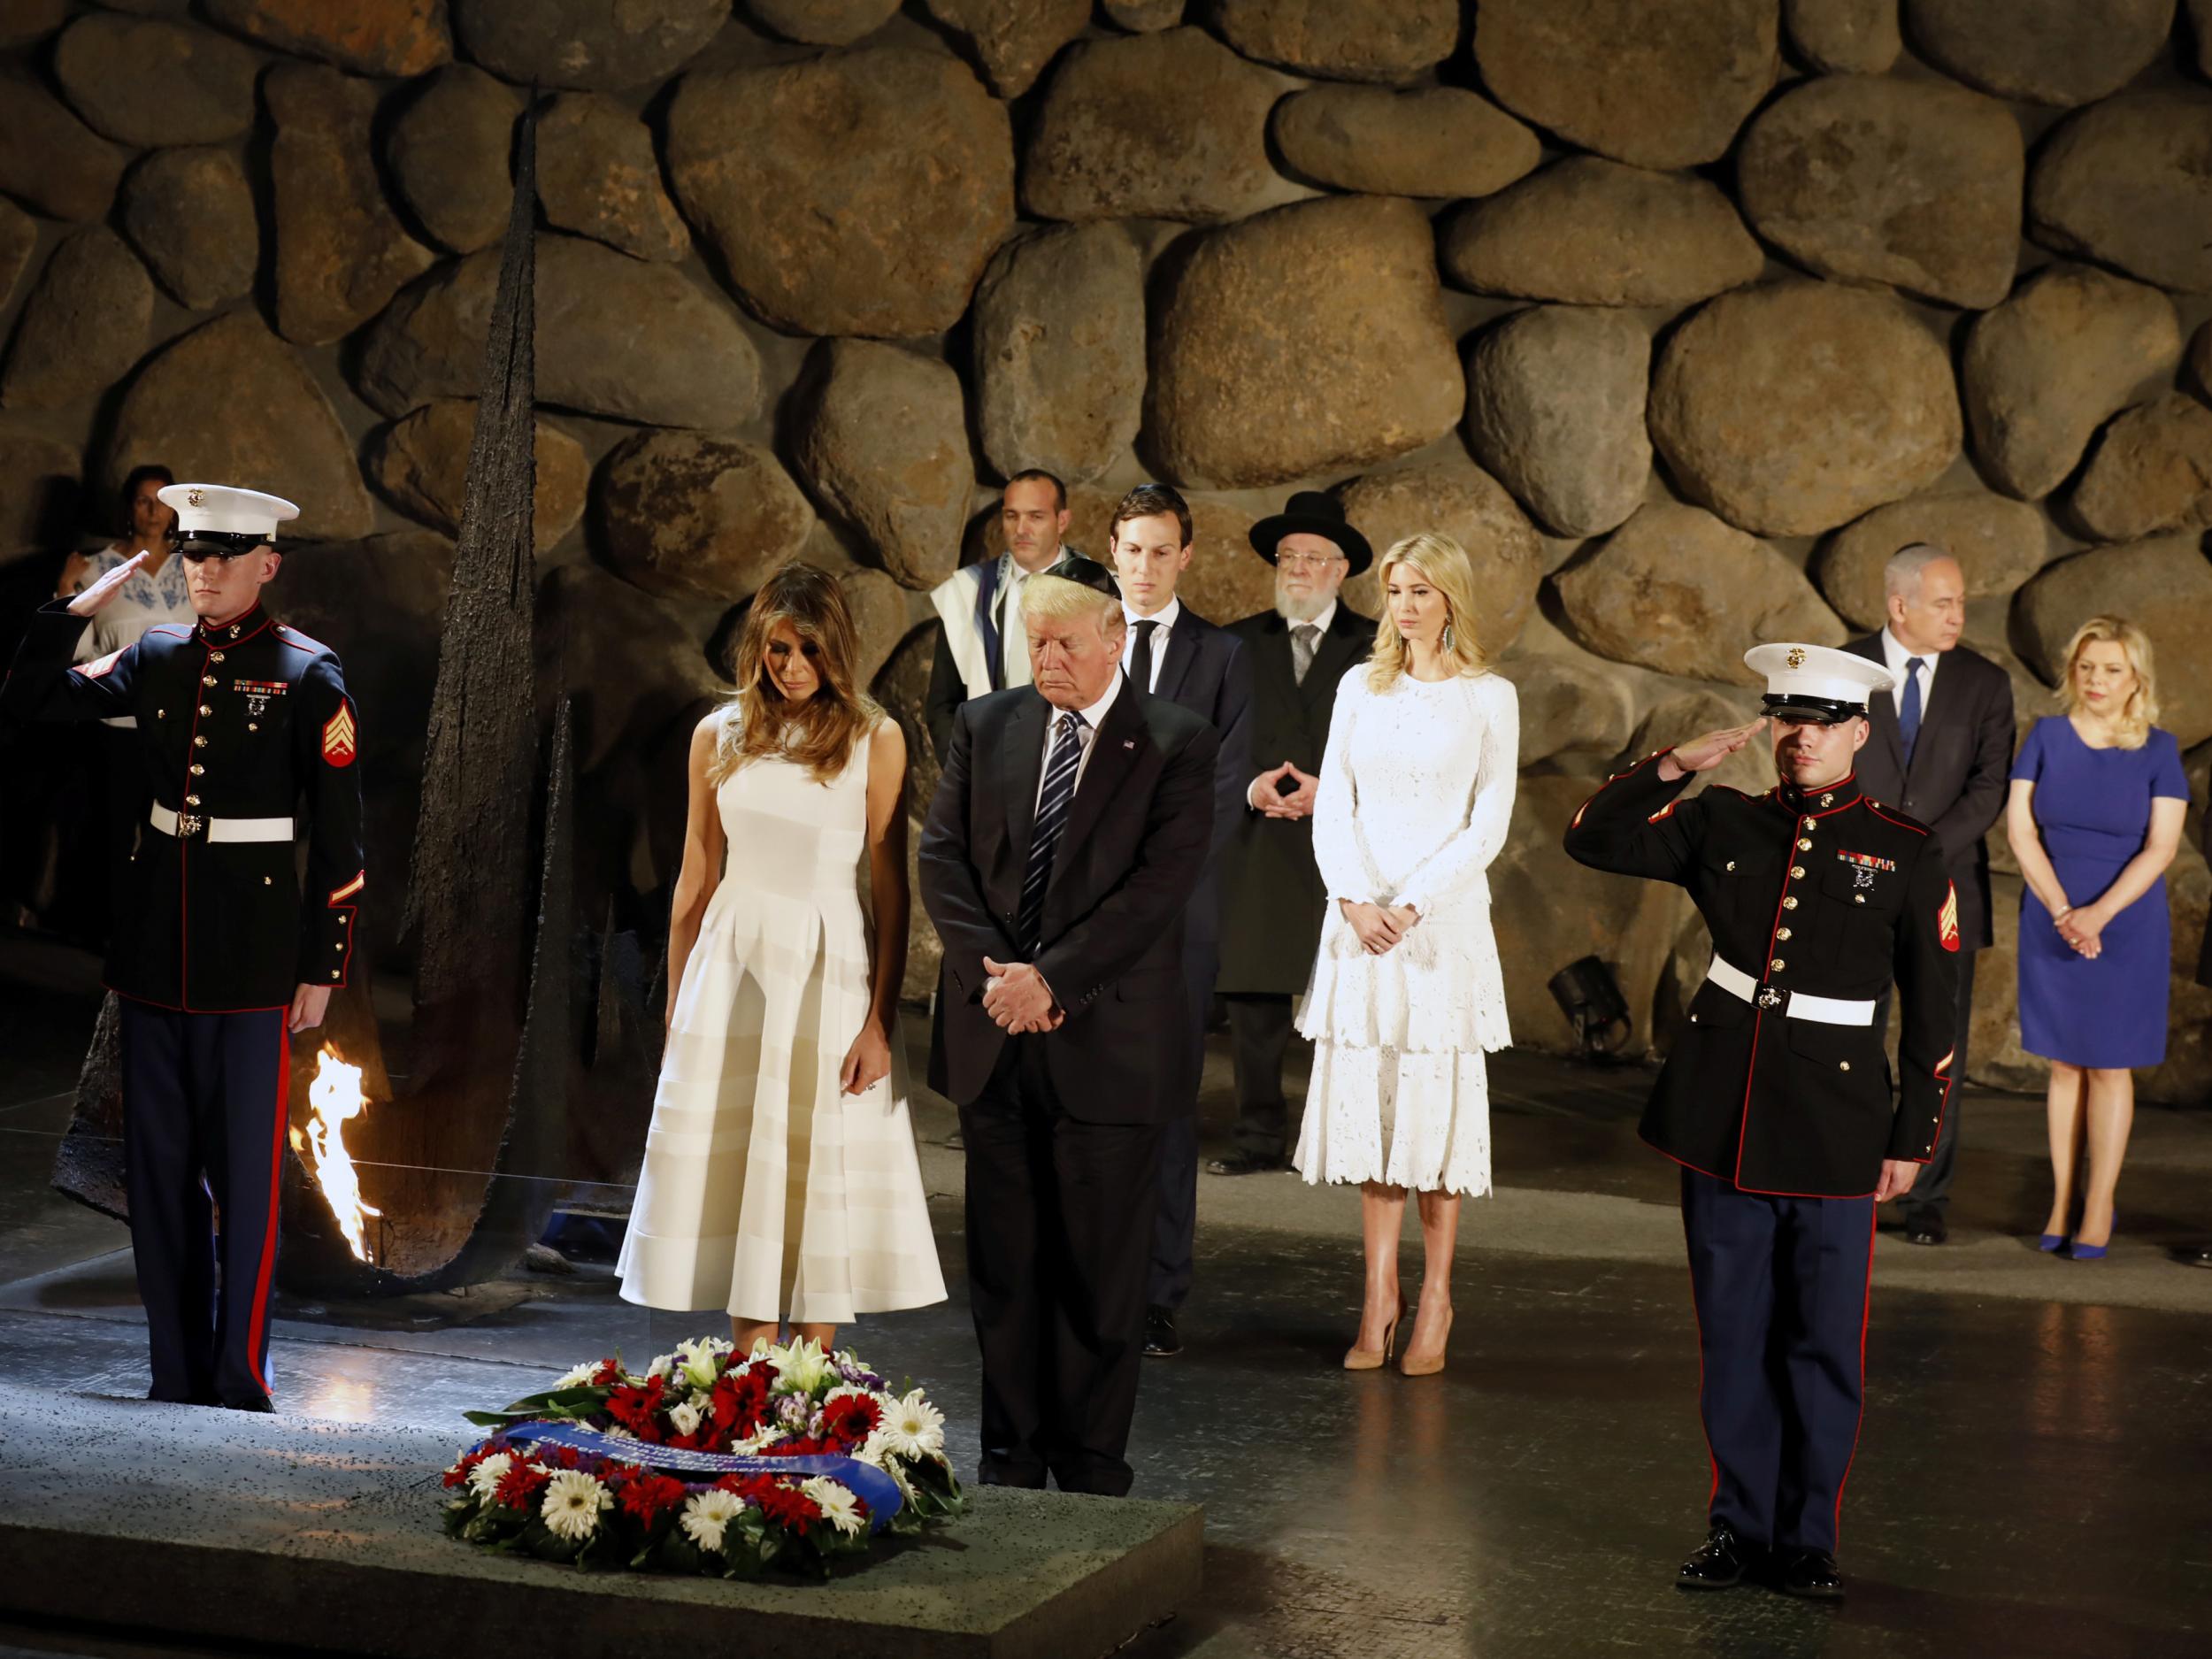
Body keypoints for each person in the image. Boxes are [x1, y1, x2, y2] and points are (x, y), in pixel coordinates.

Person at [1563, 642, 1957, 1602]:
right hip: (1722, 1116)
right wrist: (1667, 767)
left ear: (1858, 734)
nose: (1802, 738)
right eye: (1788, 719)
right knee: (1733, 1335)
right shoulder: (1720, 821)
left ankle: (1807, 1538)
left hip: (1836, 1127)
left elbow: (1934, 1007)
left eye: (1822, 723)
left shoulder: (1905, 848)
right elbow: (1593, 838)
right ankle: (1737, 1528)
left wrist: (1913, 1136)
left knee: (1821, 1341)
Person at [0, 483, 363, 1413]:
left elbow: (342, 842)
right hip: (157, 948)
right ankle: (175, 1370)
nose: (202, 570)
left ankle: (239, 1375)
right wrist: (62, 615)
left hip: (253, 956)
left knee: (244, 1179)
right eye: (193, 555)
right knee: (157, 1176)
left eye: (223, 556)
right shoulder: (154, 654)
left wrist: (322, 968)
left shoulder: (307, 672)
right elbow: (31, 702)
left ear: (266, 565)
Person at [918, 569, 1218, 1496]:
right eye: (1036, 645)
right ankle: (1010, 1458)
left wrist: (1053, 980)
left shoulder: (1175, 741)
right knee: (1006, 1269)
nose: (1048, 661)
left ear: (1114, 640)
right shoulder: (987, 723)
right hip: (994, 1038)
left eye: (1066, 645)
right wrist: (996, 982)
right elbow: (942, 859)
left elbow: (1157, 892)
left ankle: (1090, 1468)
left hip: (1109, 1045)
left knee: (1098, 1274)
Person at [618, 564, 945, 1355]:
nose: (791, 666)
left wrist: (877, 1022)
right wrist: (676, 1009)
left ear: (836, 648)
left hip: (826, 975)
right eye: (777, 650)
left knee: (811, 1167)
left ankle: (810, 1387)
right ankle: (747, 1381)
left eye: (807, 650)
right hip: (732, 973)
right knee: (741, 1184)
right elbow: (695, 876)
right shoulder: (717, 734)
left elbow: (891, 894)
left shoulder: (876, 739)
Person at [1292, 534, 1517, 1380]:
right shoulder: (1361, 684)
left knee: (1433, 1117)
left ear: (1452, 596)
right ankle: (1378, 1295)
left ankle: (1436, 1299)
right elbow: (1332, 804)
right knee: (1375, 1116)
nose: (1408, 605)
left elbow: (1487, 822)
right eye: (1395, 591)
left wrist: (1412, 904)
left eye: (1422, 589)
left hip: (1438, 929)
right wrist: (1353, 900)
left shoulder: (1490, 697)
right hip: (1359, 925)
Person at [1102, 482, 1252, 1362]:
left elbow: (1222, 786)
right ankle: (1085, 1276)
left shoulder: (1222, 656)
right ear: (1111, 551)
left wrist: (1150, 883)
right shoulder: (1080, 637)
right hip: (1080, 917)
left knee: (1165, 1103)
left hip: (1175, 914)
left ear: (1185, 556)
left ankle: (1157, 1293)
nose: (1147, 567)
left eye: (1163, 551)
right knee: (1078, 1099)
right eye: (1133, 550)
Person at [1843, 543, 2015, 1246]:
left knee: (1937, 1042)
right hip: (1855, 882)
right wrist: (1874, 851)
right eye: (1944, 602)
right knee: (1849, 1033)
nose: (1958, 615)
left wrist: (1918, 853)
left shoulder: (1985, 682)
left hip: (1948, 889)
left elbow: (1988, 789)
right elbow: (1821, 761)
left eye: (1962, 602)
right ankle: (1849, 1175)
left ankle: (1927, 1196)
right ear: (1899, 605)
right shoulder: (1845, 666)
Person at [2004, 616, 2187, 1262]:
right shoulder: (2047, 736)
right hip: (2053, 915)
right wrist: (2062, 910)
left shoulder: (2159, 750)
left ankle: (2100, 1201)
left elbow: (2162, 847)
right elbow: (2020, 830)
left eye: (2112, 669)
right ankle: (2059, 1200)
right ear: (2072, 672)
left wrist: (2097, 915)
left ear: (2136, 677)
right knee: (2063, 1063)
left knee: (2109, 1065)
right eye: (2087, 667)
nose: (2097, 680)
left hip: (2126, 922)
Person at [1209, 492, 1375, 1179]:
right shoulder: (1237, 642)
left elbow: (1399, 746)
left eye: (1312, 558)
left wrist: (1329, 793)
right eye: (1288, 557)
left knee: (1356, 999)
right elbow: (1213, 737)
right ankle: (1256, 1135)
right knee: (1255, 999)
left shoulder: (1376, 645)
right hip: (1262, 838)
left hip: (1351, 844)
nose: (1297, 569)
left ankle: (1350, 1137)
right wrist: (1253, 786)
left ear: (1340, 571)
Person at [50, 464, 187, 945]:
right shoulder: (96, 568)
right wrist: (68, 590)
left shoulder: (195, 566)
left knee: (169, 836)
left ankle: (157, 935)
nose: (152, 511)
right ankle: (108, 936)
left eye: (161, 500)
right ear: (129, 508)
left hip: (177, 727)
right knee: (109, 832)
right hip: (113, 723)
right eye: (142, 500)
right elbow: (72, 649)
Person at [923, 469, 1093, 763]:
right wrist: (966, 774)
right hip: (987, 776)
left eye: (1036, 517)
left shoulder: (1100, 592)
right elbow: (942, 704)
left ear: (1062, 521)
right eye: (1012, 516)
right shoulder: (967, 592)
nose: (1021, 529)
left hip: (1074, 777)